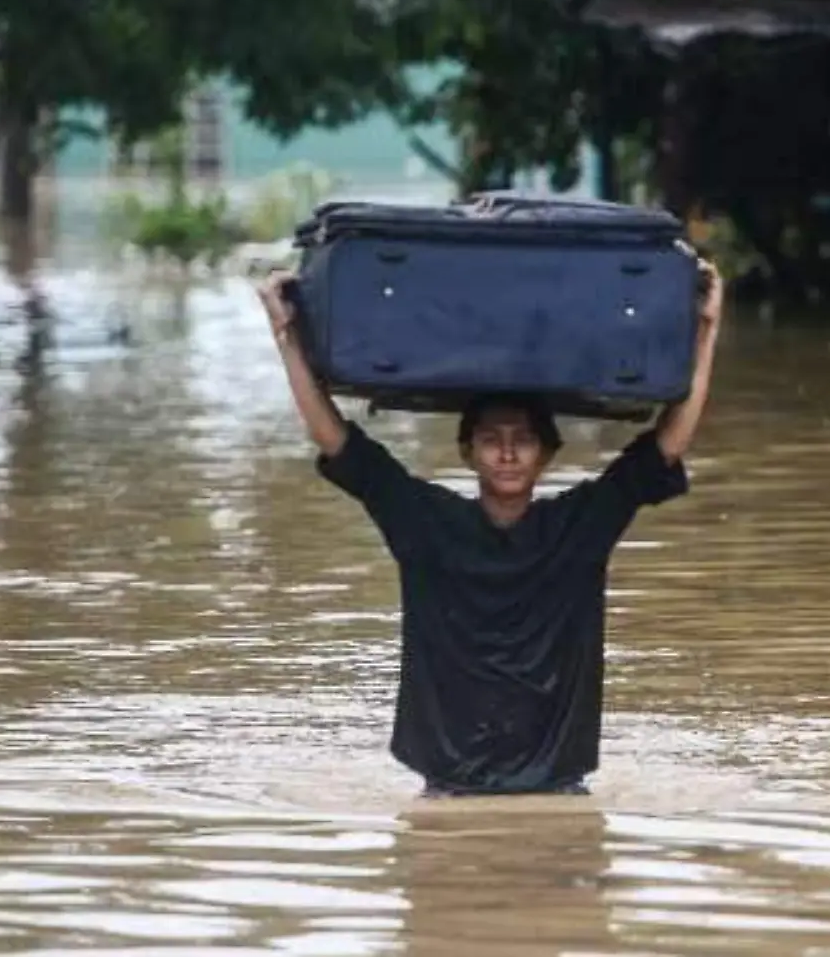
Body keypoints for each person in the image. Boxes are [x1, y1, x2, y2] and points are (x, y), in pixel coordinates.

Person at [255, 260, 723, 796]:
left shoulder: (582, 523)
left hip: (556, 787)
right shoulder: (424, 522)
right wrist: (284, 332)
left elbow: (668, 444)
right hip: (449, 787)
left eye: (521, 439)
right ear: (467, 451)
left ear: (545, 454)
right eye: (490, 439)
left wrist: (707, 328)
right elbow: (334, 437)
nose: (506, 452)